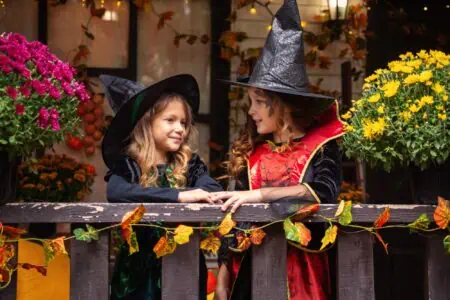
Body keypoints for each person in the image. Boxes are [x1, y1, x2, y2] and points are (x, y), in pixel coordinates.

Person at [211, 1, 345, 299]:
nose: (252, 110)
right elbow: (233, 221)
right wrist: (222, 275)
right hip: (250, 270)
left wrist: (258, 195)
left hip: (304, 274)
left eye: (258, 102)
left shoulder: (321, 148)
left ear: (280, 105)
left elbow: (321, 191)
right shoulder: (252, 156)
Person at [101, 74, 222, 300]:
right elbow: (116, 192)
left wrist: (196, 192)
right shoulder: (131, 165)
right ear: (147, 122)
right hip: (139, 271)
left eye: (184, 123)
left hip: (184, 263)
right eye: (170, 120)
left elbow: (212, 189)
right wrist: (179, 196)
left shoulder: (189, 165)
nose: (180, 129)